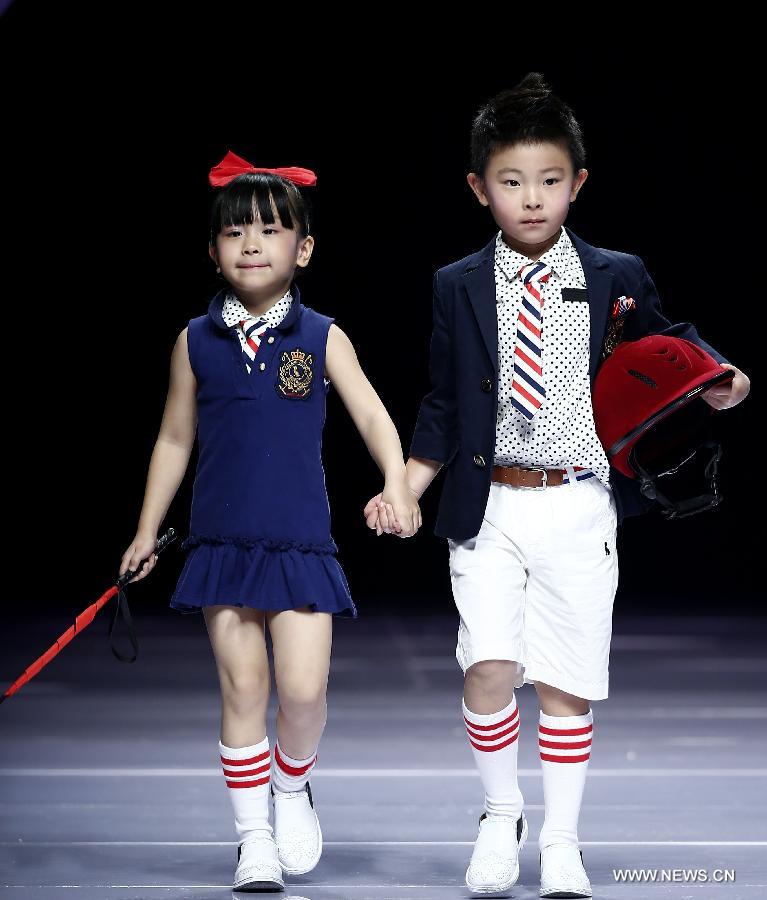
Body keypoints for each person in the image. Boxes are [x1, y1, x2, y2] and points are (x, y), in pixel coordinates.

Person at [365, 74, 750, 898]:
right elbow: (441, 403)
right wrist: (403, 485)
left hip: (579, 501)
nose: (530, 199)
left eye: (548, 181)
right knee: (490, 667)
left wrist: (722, 375)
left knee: (568, 681)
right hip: (489, 504)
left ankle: (563, 840)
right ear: (478, 188)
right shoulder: (455, 283)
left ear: (576, 182)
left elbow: (666, 345)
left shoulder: (616, 272)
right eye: (510, 182)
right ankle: (500, 814)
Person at [119, 150, 421, 893]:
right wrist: (143, 530)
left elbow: (374, 417)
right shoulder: (194, 341)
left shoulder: (322, 336)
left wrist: (397, 483)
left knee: (305, 691)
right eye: (233, 233)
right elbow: (173, 439)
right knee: (243, 688)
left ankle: (291, 789)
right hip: (221, 544)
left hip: (299, 546)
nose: (250, 244)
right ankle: (253, 837)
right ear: (213, 250)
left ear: (303, 248)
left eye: (269, 229)